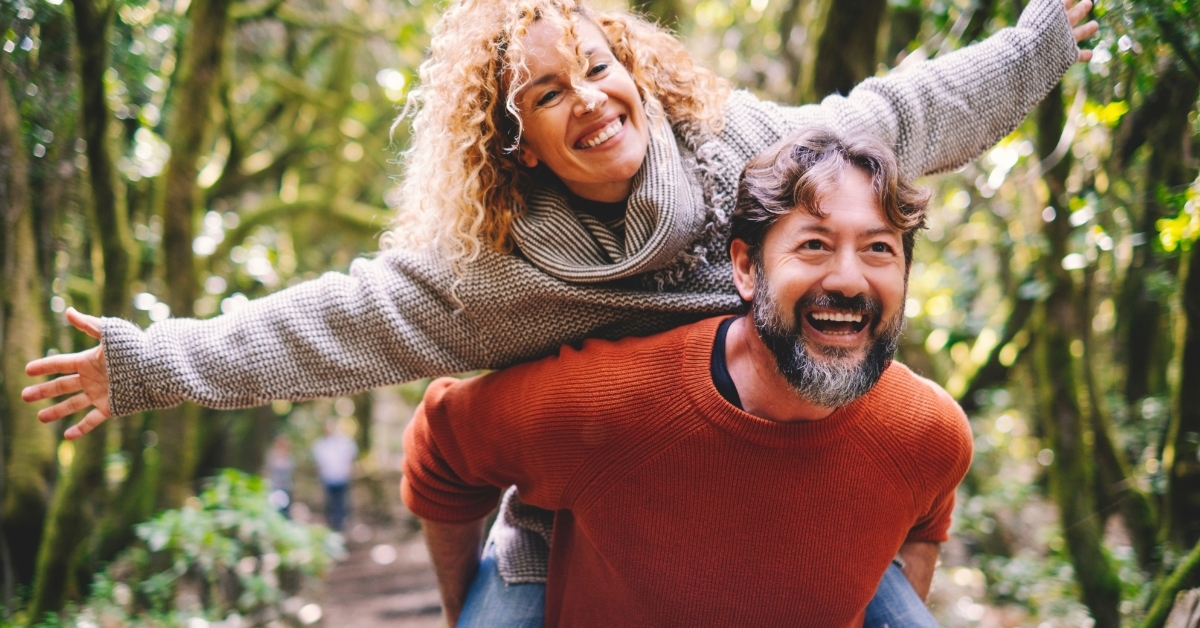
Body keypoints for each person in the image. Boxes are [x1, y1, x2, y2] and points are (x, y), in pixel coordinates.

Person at [21, 0, 1097, 622]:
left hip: (781, 460)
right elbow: (330, 322)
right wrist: (147, 363)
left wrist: (1044, 38)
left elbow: (902, 114)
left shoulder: (741, 151)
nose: (589, 98)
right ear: (514, 142)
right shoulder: (490, 273)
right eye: (546, 93)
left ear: (635, 70)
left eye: (597, 66)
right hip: (575, 498)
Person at [402, 128, 971, 627]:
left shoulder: (929, 433)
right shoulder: (611, 405)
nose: (848, 279)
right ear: (747, 269)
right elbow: (442, 448)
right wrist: (466, 612)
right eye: (814, 245)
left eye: (878, 249)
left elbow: (927, 515)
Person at [312, 420, 359, 531]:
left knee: (341, 502)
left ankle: (341, 526)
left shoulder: (345, 442)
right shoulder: (321, 445)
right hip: (328, 479)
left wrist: (350, 470)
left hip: (342, 478)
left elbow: (352, 458)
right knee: (330, 503)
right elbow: (317, 463)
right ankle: (331, 525)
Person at [265, 433, 295, 516]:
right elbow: (268, 470)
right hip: (274, 486)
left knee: (285, 511)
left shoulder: (289, 456)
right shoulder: (272, 455)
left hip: (286, 487)